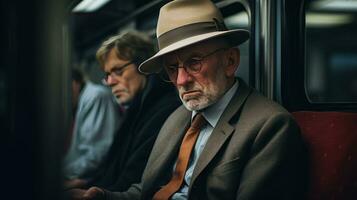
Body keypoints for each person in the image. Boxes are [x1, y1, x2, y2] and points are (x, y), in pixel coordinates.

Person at [73, 0, 308, 199]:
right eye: (172, 68)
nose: (181, 80)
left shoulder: (269, 126)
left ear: (230, 61)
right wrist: (102, 196)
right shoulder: (177, 117)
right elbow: (146, 190)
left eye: (194, 62)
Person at [65, 31, 181, 195]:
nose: (110, 82)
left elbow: (131, 179)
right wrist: (87, 183)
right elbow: (115, 169)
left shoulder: (165, 110)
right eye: (107, 75)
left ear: (143, 65)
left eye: (118, 71)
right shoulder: (136, 109)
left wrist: (94, 193)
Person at [63, 68, 122, 179]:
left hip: (96, 179)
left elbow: (98, 152)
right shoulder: (75, 104)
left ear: (74, 83)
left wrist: (59, 174)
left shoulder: (95, 96)